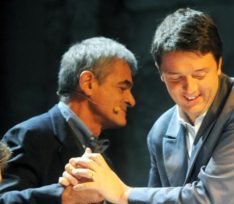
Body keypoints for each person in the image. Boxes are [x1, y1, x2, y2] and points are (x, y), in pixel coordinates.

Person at [60, 8, 234, 204]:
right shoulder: (160, 131)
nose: (190, 88)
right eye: (176, 78)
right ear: (161, 74)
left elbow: (210, 198)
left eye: (199, 74)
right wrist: (94, 185)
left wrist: (122, 193)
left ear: (219, 65)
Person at [0, 36, 137, 203]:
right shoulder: (29, 135)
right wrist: (63, 196)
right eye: (122, 88)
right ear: (88, 83)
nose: (131, 100)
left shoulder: (102, 157)